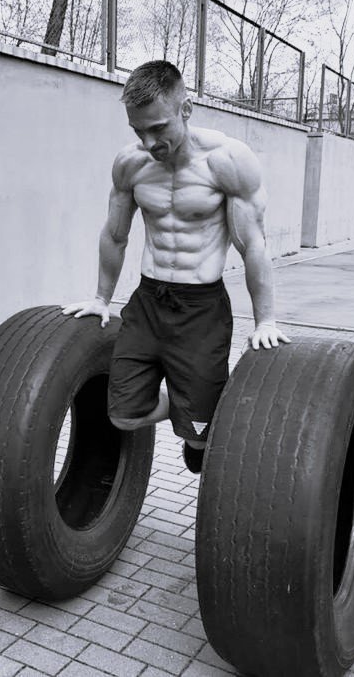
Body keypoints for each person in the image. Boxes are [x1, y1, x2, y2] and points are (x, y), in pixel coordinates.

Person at [62, 60, 290, 473]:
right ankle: (183, 409)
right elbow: (115, 235)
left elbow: (252, 244)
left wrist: (266, 321)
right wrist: (101, 298)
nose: (150, 142)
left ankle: (199, 418)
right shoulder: (130, 164)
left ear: (186, 109)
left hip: (200, 308)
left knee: (198, 446)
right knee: (123, 415)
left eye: (159, 128)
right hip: (148, 300)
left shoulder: (228, 160)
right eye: (138, 131)